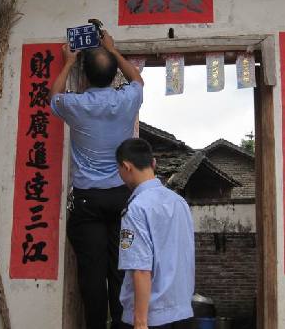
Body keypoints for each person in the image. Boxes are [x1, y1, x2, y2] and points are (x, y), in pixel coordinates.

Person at [50, 30, 144, 329]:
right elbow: (138, 80)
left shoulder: (75, 105)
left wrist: (68, 62)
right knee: (120, 269)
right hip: (121, 198)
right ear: (114, 74)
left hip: (87, 200)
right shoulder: (128, 99)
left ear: (86, 77)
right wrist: (113, 50)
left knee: (91, 273)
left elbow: (53, 96)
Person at [115, 138, 195, 329]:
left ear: (126, 167)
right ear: (154, 163)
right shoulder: (180, 203)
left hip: (152, 317)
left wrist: (140, 323)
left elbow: (141, 269)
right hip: (182, 312)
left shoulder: (137, 208)